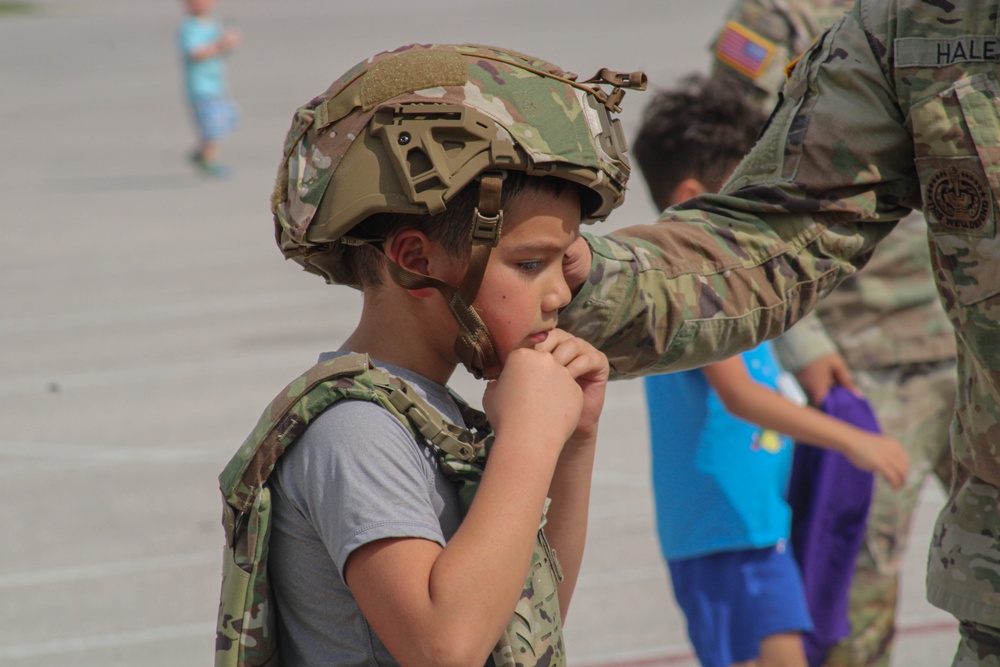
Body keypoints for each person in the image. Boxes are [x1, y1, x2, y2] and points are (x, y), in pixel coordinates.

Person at [556, 1, 1000, 663]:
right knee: (850, 597)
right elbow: (761, 205)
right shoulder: (909, 23)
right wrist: (562, 279)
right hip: (867, 357)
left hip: (937, 356)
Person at [225, 43, 652, 667]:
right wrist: (529, 438)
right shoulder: (357, 430)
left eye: (565, 262)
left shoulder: (432, 412)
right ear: (417, 261)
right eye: (530, 264)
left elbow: (532, 618)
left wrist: (575, 442)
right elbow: (444, 647)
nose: (559, 293)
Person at [708, 2, 958, 665]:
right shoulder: (780, 16)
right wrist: (802, 339)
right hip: (862, 357)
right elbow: (729, 176)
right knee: (852, 585)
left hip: (975, 340)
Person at [633, 75, 908, 667]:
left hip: (752, 527)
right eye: (746, 193)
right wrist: (854, 441)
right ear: (690, 197)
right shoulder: (692, 286)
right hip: (725, 536)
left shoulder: (720, 281)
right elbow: (740, 397)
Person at [178, 0, 240, 178]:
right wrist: (221, 44)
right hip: (201, 87)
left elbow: (221, 51)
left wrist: (229, 43)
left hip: (217, 84)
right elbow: (196, 53)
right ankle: (209, 162)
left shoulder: (213, 22)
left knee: (229, 118)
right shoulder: (189, 27)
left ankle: (202, 152)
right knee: (212, 126)